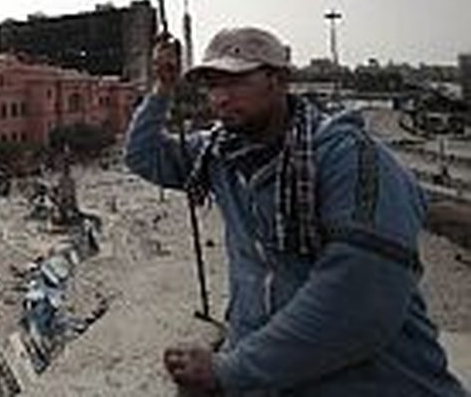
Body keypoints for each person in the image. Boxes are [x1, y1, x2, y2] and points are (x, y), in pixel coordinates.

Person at [124, 27, 466, 396]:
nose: (220, 97)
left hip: (376, 380)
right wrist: (163, 88)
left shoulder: (348, 158)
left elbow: (359, 300)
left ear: (279, 80)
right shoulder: (221, 155)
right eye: (211, 84)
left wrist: (229, 371)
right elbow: (145, 156)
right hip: (275, 375)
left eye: (235, 81)